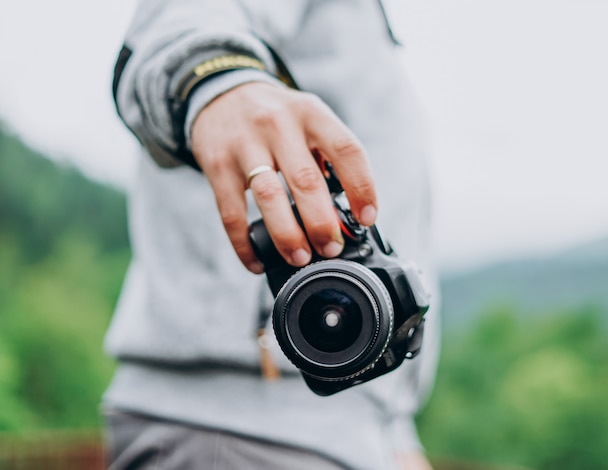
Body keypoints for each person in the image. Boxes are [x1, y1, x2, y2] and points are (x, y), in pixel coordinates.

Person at [103, 1, 440, 469]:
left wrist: (391, 429)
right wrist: (219, 81)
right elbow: (180, 23)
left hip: (346, 430)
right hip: (238, 430)